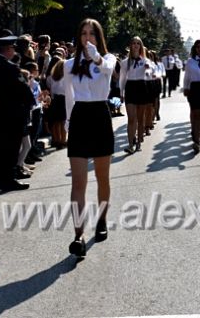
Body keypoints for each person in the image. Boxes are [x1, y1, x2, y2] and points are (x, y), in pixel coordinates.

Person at [62, 18, 117, 257]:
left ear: (99, 37)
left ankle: (102, 219)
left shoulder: (109, 59)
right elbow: (68, 95)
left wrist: (96, 56)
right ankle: (78, 235)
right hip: (80, 117)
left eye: (92, 34)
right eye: (83, 33)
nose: (87, 38)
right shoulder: (69, 64)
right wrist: (68, 121)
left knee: (102, 177)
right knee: (78, 183)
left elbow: (107, 70)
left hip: (100, 115)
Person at [0, 36, 35, 191]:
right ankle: (9, 179)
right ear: (8, 49)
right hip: (13, 112)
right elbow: (23, 89)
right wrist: (29, 104)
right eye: (12, 48)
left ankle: (3, 178)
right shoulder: (10, 67)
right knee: (12, 147)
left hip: (1, 110)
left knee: (2, 148)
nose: (14, 51)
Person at [119, 37, 151, 153]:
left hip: (142, 87)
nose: (136, 45)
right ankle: (130, 144)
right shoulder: (124, 62)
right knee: (131, 118)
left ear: (141, 46)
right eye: (134, 43)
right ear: (131, 45)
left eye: (138, 43)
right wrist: (121, 92)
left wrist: (148, 70)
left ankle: (138, 141)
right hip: (130, 88)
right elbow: (122, 78)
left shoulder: (145, 60)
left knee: (140, 117)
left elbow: (150, 73)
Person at [46, 60, 67, 149]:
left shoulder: (50, 77)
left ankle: (57, 140)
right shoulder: (67, 77)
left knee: (56, 121)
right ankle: (63, 140)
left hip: (54, 100)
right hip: (63, 99)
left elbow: (49, 86)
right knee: (63, 121)